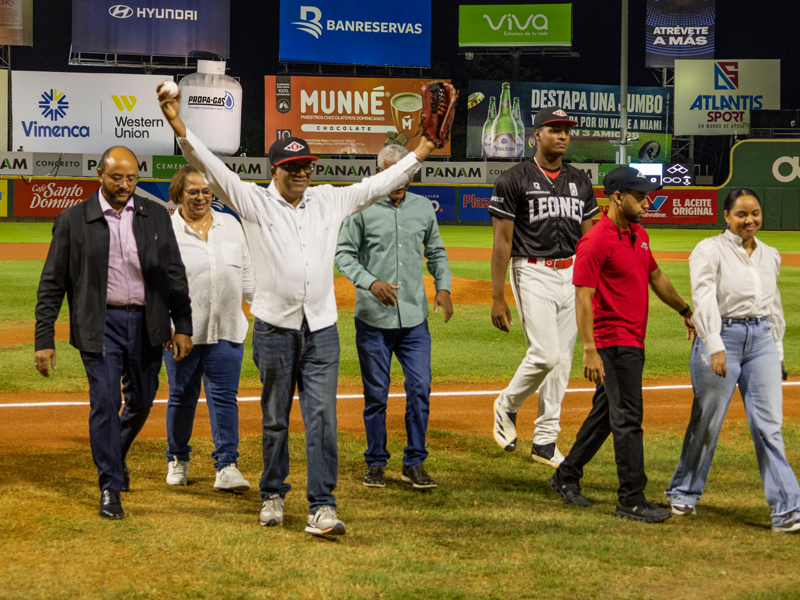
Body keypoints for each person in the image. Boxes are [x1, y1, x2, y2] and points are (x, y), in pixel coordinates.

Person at [158, 83, 442, 536]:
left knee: (322, 418)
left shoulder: (329, 199)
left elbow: (378, 183)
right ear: (275, 169)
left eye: (306, 165)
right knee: (274, 418)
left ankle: (322, 506)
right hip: (274, 329)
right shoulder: (253, 200)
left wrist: (422, 149)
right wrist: (178, 125)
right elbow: (209, 165)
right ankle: (272, 493)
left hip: (323, 331)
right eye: (292, 167)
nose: (302, 173)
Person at [34, 146, 193, 520]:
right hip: (99, 324)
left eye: (132, 178)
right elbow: (51, 284)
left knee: (142, 400)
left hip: (147, 324)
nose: (124, 185)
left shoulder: (154, 214)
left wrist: (182, 325)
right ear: (100, 176)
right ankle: (109, 486)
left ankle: (113, 455)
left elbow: (174, 275)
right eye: (117, 177)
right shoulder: (74, 220)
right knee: (105, 401)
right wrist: (44, 339)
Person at [547, 165, 694, 523]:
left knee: (605, 417)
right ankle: (631, 498)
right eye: (640, 196)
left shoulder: (639, 234)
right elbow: (583, 297)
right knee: (628, 419)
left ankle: (565, 476)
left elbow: (654, 274)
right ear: (617, 197)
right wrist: (589, 349)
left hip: (633, 339)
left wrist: (685, 310)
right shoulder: (594, 240)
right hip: (612, 342)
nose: (648, 202)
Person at [665, 189, 800, 533]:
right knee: (707, 423)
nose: (749, 220)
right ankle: (684, 491)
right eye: (741, 214)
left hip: (763, 341)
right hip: (723, 336)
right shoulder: (709, 250)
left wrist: (779, 350)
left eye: (754, 213)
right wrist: (714, 344)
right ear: (727, 216)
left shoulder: (770, 255)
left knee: (768, 427)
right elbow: (704, 296)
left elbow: (773, 305)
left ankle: (787, 510)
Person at [335, 144, 453, 490]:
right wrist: (370, 283)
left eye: (402, 173)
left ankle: (414, 462)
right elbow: (343, 255)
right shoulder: (362, 207)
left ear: (411, 174)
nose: (397, 180)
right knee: (376, 394)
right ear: (378, 172)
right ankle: (375, 462)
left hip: (415, 318)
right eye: (389, 173)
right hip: (373, 319)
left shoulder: (422, 208)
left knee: (420, 388)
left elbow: (436, 252)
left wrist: (443, 286)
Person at [489, 106, 599, 467]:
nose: (563, 135)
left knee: (562, 361)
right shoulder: (513, 178)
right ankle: (505, 405)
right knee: (546, 354)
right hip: (532, 270)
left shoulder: (580, 181)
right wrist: (497, 295)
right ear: (536, 135)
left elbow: (590, 240)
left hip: (572, 274)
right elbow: (502, 241)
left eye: (567, 129)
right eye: (554, 129)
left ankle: (545, 440)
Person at [163, 166, 255, 493]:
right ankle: (177, 458)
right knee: (181, 397)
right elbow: (157, 285)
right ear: (178, 195)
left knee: (225, 399)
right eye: (193, 192)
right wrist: (168, 327)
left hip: (228, 329)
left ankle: (227, 465)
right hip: (182, 334)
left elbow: (247, 276)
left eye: (206, 191)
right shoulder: (167, 230)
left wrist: (266, 308)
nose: (201, 197)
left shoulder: (230, 225)